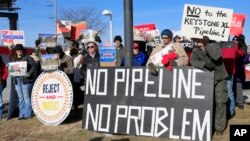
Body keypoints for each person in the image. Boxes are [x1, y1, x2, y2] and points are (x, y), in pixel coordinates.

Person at [190, 36, 228, 135]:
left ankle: (219, 128)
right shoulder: (195, 50)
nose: (196, 41)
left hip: (219, 78)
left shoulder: (214, 45)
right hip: (207, 79)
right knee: (208, 103)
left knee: (220, 102)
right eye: (195, 40)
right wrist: (204, 64)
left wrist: (206, 45)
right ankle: (209, 126)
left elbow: (217, 56)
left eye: (198, 39)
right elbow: (193, 61)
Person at [13, 44, 37, 120]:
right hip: (17, 80)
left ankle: (28, 114)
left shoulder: (28, 57)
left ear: (23, 50)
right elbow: (13, 68)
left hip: (26, 80)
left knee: (26, 97)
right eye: (17, 50)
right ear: (16, 51)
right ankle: (21, 114)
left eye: (20, 50)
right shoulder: (15, 58)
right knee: (20, 98)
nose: (19, 51)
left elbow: (34, 66)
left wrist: (29, 73)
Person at [233, 35, 247, 110]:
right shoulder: (238, 46)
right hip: (234, 69)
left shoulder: (243, 47)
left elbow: (244, 59)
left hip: (239, 70)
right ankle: (236, 101)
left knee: (238, 86)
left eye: (237, 40)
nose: (235, 41)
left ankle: (240, 102)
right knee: (234, 86)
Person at [70, 42, 84, 111]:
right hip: (70, 75)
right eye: (73, 46)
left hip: (77, 74)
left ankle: (76, 105)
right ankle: (71, 104)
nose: (74, 47)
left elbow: (81, 66)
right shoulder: (69, 55)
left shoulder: (80, 56)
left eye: (76, 46)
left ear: (78, 47)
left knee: (76, 91)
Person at [0, 55, 8, 120]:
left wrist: (3, 79)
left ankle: (0, 115)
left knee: (0, 101)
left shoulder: (0, 61)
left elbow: (5, 71)